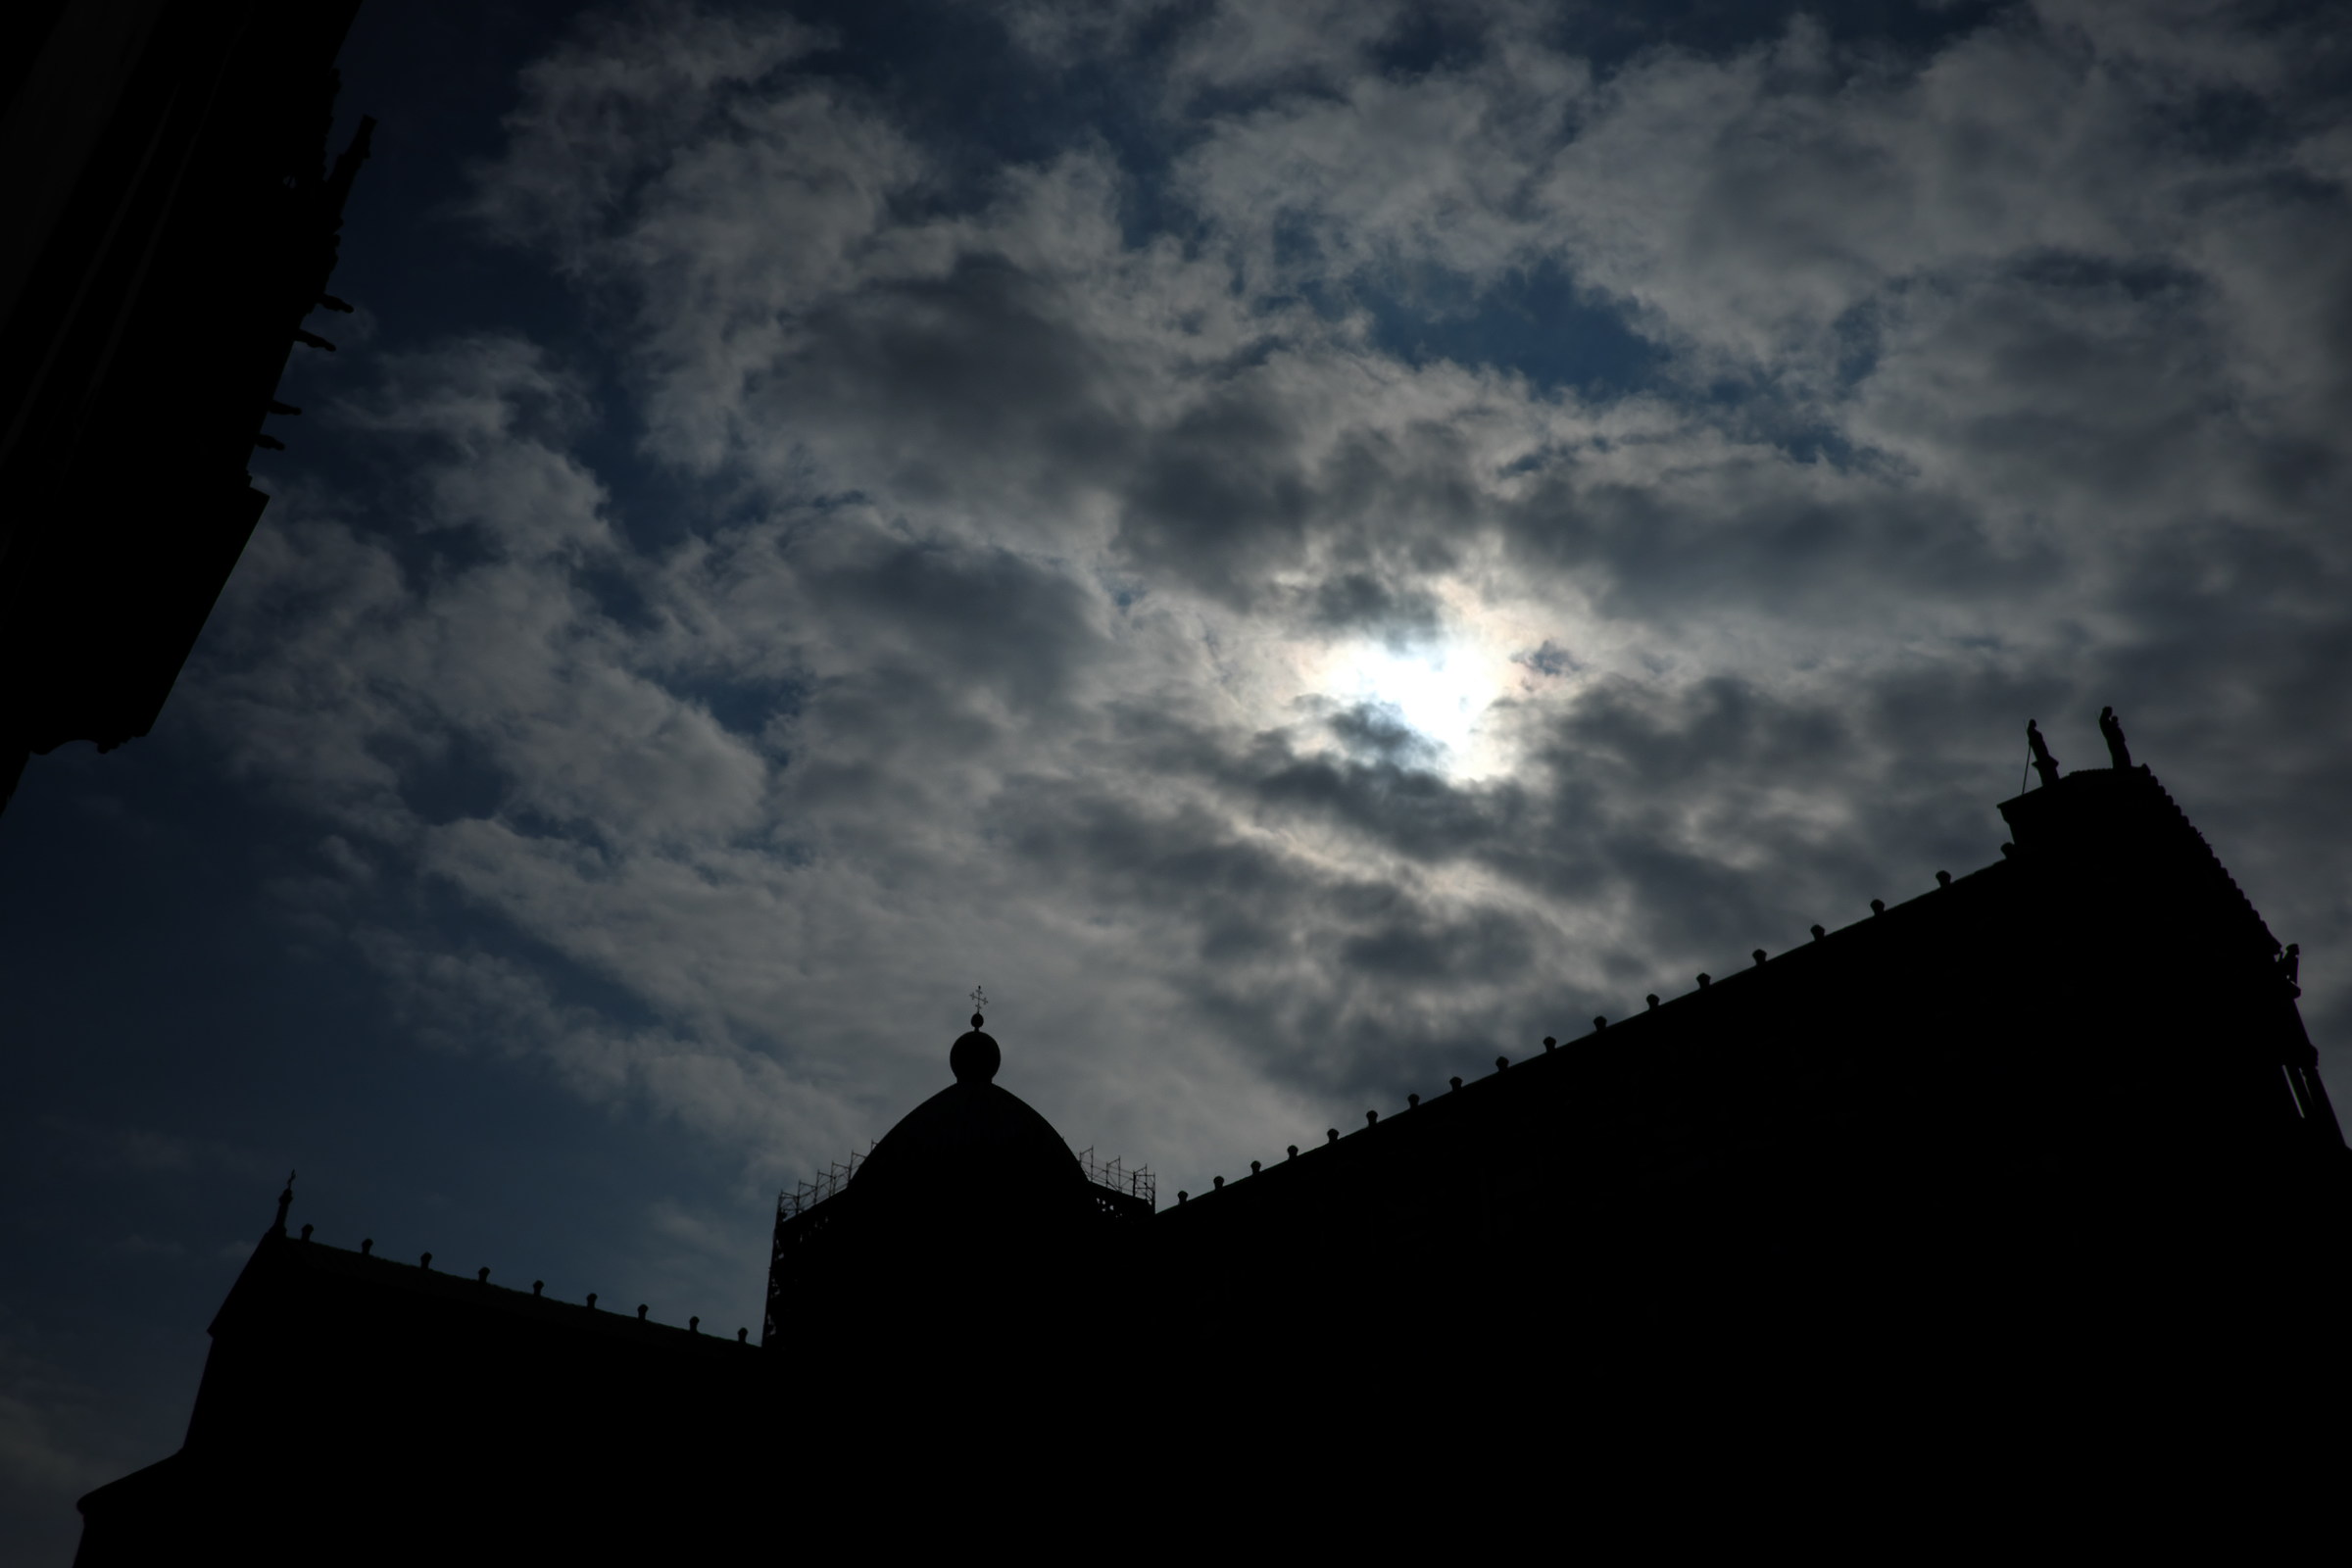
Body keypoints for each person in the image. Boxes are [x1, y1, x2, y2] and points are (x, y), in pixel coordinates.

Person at [2026, 719, 2061, 789]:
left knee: (2044, 753)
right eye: (2034, 723)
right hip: (2038, 746)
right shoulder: (2030, 730)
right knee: (2041, 754)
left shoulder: (2033, 731)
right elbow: (2032, 739)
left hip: (2041, 745)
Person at [2098, 706, 2132, 770]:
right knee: (2118, 754)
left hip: (2117, 741)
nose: (2111, 714)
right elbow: (2110, 730)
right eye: (2110, 712)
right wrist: (2114, 724)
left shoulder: (2106, 720)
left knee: (2122, 754)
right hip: (2114, 741)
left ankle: (2123, 766)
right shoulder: (2104, 720)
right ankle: (2120, 768)